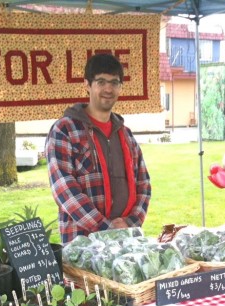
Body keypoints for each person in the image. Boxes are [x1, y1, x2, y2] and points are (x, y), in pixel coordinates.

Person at [45, 53, 151, 244]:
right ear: (87, 84)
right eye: (101, 81)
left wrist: (132, 222)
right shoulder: (65, 130)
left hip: (125, 241)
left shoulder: (126, 135)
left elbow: (143, 184)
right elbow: (64, 189)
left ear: (120, 87)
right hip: (83, 244)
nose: (108, 89)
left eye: (114, 82)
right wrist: (106, 229)